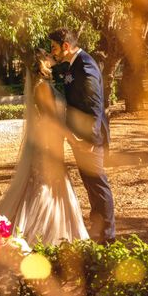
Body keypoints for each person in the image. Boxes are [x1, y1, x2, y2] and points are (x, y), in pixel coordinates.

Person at [0, 48, 89, 246]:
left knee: (52, 183)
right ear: (41, 62)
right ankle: (41, 235)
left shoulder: (46, 84)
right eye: (47, 55)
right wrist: (74, 140)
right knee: (46, 185)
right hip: (47, 144)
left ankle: (58, 233)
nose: (51, 56)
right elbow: (52, 120)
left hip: (52, 141)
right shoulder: (42, 87)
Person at [48, 28, 115, 244]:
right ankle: (98, 232)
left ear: (66, 46)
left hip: (89, 139)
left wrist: (91, 141)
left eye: (54, 48)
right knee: (91, 185)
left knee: (97, 184)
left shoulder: (85, 66)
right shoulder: (74, 64)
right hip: (80, 138)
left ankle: (107, 237)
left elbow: (95, 106)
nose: (53, 53)